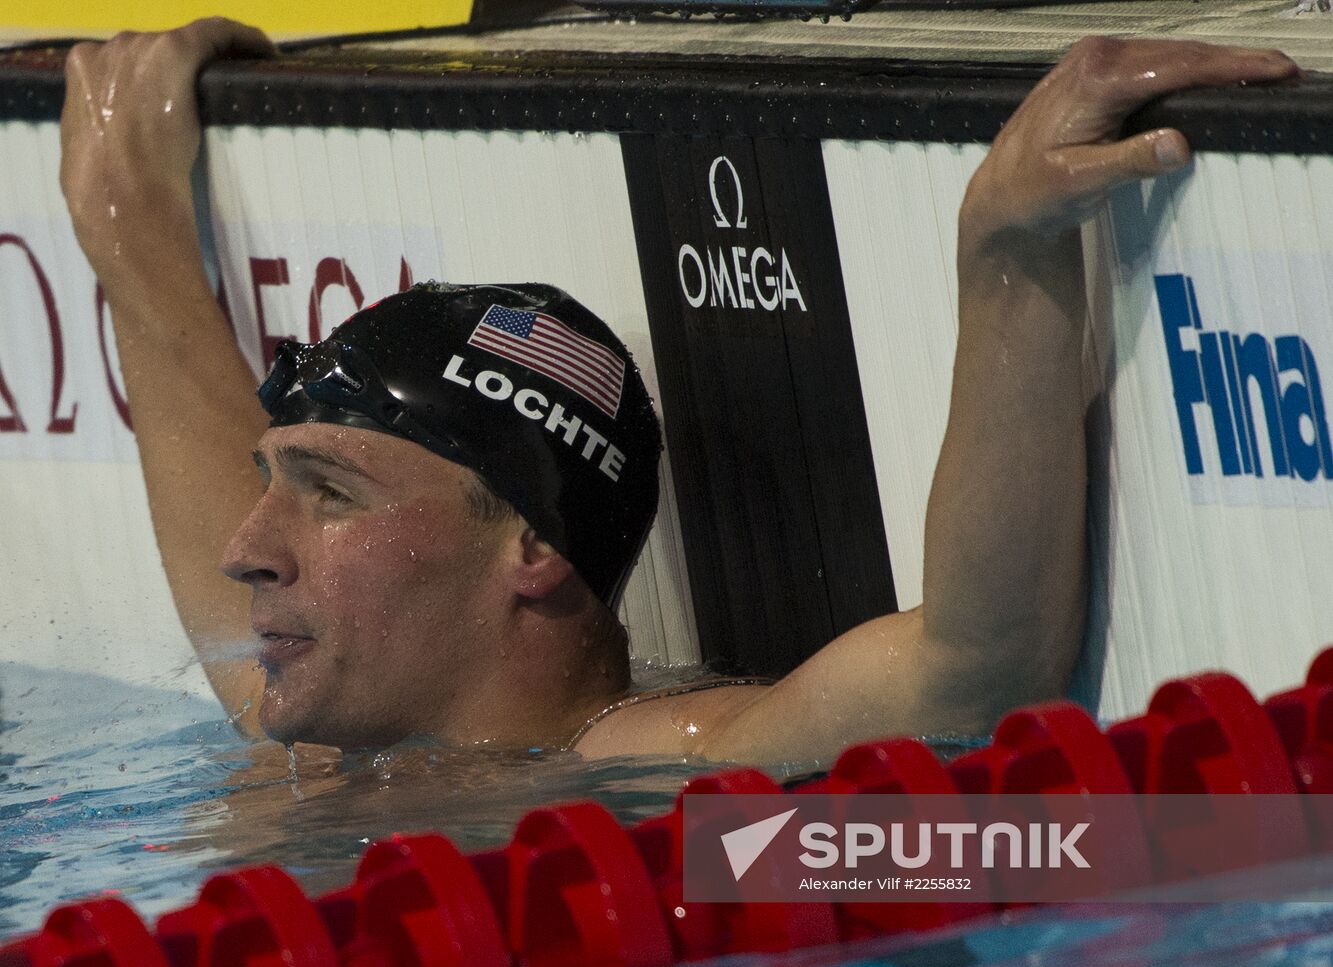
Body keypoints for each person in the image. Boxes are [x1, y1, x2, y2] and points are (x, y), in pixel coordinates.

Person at [58, 20, 1300, 762]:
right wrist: (130, 229)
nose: (245, 548)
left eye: (328, 491)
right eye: (278, 481)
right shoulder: (334, 725)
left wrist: (1005, 253)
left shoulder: (667, 773)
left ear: (531, 544)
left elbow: (976, 672)